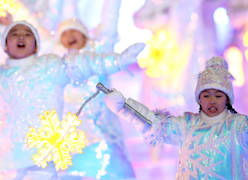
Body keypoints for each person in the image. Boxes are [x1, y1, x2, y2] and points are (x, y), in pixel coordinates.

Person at [103, 56, 248, 179]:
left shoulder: (238, 127)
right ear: (199, 98)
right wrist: (124, 108)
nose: (212, 100)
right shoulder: (187, 125)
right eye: (206, 95)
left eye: (218, 95)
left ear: (227, 99)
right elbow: (155, 124)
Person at [0, 20, 143, 180]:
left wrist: (118, 61)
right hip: (5, 163)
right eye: (14, 34)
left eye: (27, 34)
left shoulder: (49, 67)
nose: (21, 37)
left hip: (41, 161)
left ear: (36, 45)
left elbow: (84, 64)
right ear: (5, 44)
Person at [56, 19, 136, 180]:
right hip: (71, 142)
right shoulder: (57, 63)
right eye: (64, 34)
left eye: (74, 31)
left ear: (84, 35)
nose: (69, 36)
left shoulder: (97, 54)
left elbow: (109, 21)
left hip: (102, 135)